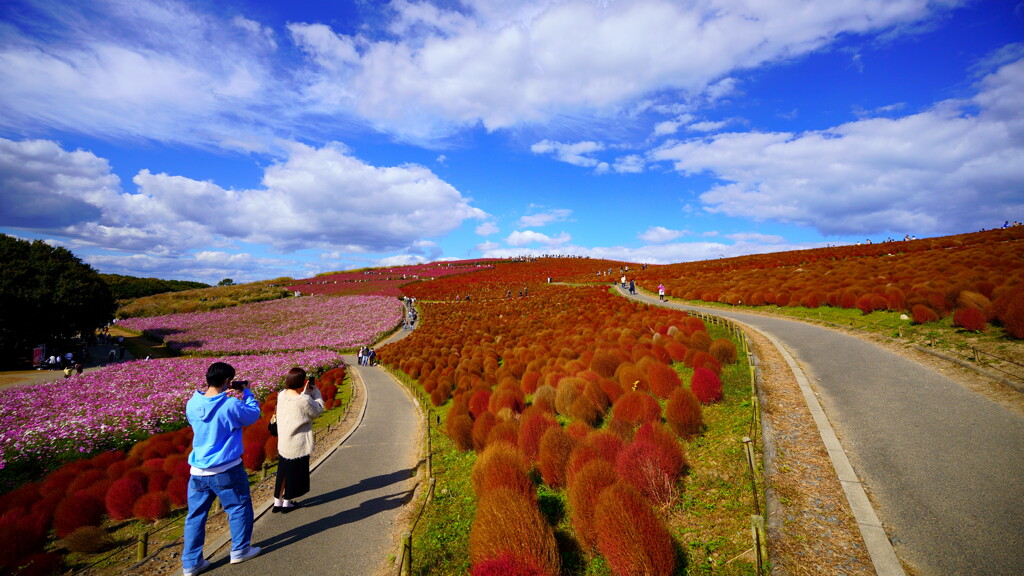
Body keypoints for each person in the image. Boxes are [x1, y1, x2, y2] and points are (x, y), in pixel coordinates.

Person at [182, 362, 262, 576]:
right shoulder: (231, 405)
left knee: (195, 516)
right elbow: (253, 414)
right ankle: (240, 549)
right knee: (238, 508)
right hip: (226, 469)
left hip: (198, 471)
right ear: (228, 381)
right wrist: (246, 392)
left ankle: (191, 564)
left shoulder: (192, 403)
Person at [273, 368, 325, 513]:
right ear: (303, 382)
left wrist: (305, 393)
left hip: (284, 442)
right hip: (298, 444)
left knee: (282, 471)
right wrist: (316, 393)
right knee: (294, 474)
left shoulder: (281, 394)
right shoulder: (304, 400)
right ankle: (287, 502)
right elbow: (318, 409)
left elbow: (297, 404)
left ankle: (277, 501)